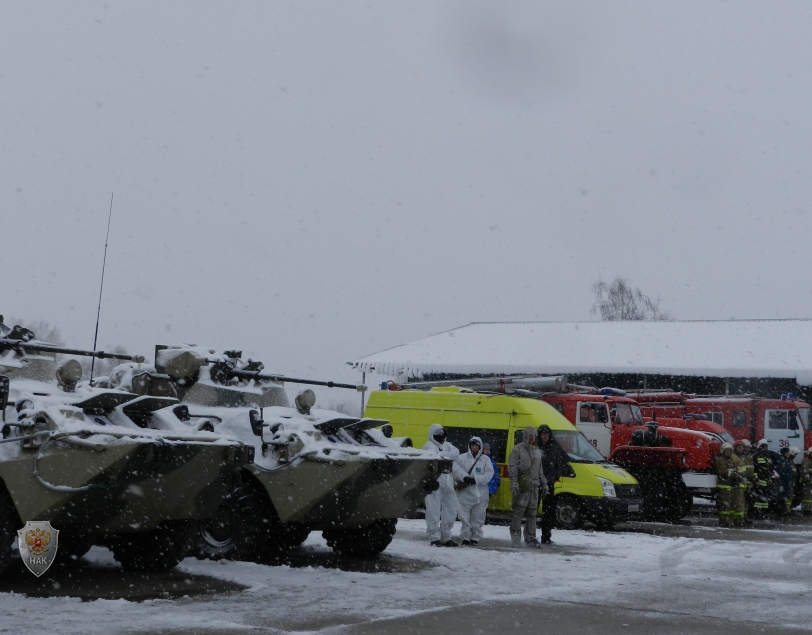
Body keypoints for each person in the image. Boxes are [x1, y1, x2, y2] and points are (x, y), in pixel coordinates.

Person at [508, 426, 547, 547]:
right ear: (525, 435)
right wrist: (514, 482)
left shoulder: (536, 451)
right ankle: (515, 537)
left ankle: (531, 537)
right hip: (522, 486)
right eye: (530, 435)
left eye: (534, 435)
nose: (532, 437)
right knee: (518, 512)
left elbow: (540, 469)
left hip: (534, 486)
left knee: (532, 513)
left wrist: (544, 483)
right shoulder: (517, 449)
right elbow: (512, 466)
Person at [422, 423, 460, 546]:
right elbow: (432, 457)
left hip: (448, 480)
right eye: (438, 434)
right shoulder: (429, 445)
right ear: (432, 434)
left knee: (451, 509)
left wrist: (442, 456)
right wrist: (445, 456)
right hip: (435, 481)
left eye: (442, 433)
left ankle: (447, 537)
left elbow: (456, 453)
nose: (440, 436)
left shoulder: (447, 445)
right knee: (433, 510)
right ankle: (434, 537)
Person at [453, 436, 494, 546]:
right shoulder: (462, 458)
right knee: (464, 517)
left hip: (481, 494)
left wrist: (476, 480)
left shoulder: (485, 459)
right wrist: (465, 477)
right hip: (465, 493)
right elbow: (456, 468)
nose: (474, 448)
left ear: (480, 447)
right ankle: (466, 536)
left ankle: (475, 537)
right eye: (472, 446)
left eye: (476, 446)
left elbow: (489, 473)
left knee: (478, 517)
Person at [537, 424, 572, 544]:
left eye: (547, 434)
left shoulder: (554, 448)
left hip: (549, 484)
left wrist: (555, 476)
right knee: (532, 511)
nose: (545, 436)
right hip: (536, 483)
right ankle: (530, 536)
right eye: (543, 434)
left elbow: (561, 463)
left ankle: (546, 537)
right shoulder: (535, 447)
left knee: (549, 511)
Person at [713, 442, 744, 527]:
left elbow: (733, 469)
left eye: (730, 451)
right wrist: (733, 474)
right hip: (724, 485)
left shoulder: (730, 460)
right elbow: (722, 471)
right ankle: (724, 520)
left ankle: (730, 520)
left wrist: (737, 474)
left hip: (730, 485)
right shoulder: (720, 460)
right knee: (724, 505)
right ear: (723, 450)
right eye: (726, 450)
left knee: (731, 505)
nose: (728, 452)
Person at [751, 439, 778, 518]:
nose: (765, 448)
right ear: (760, 447)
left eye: (766, 446)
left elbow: (770, 469)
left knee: (766, 499)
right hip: (760, 482)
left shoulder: (768, 457)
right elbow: (754, 469)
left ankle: (764, 513)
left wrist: (772, 479)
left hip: (767, 482)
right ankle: (757, 513)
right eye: (764, 446)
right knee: (758, 499)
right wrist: (756, 479)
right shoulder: (756, 456)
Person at [733, 439, 753, 525]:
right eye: (739, 447)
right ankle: (739, 520)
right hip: (739, 482)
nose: (741, 449)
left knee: (745, 502)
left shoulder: (745, 457)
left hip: (745, 483)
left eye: (742, 447)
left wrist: (752, 479)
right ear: (735, 448)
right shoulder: (734, 457)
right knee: (739, 503)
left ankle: (744, 518)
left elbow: (749, 469)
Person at [775, 446, 796, 517]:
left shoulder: (785, 460)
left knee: (784, 496)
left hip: (784, 482)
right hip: (783, 482)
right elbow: (783, 472)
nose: (788, 454)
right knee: (783, 496)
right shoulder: (783, 461)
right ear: (784, 453)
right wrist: (788, 480)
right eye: (787, 452)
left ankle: (784, 510)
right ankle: (782, 511)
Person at [800, 448, 812, 517]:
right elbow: (805, 471)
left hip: (810, 482)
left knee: (810, 498)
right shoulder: (806, 461)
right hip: (807, 482)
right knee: (806, 497)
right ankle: (806, 510)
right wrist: (808, 478)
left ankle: (809, 509)